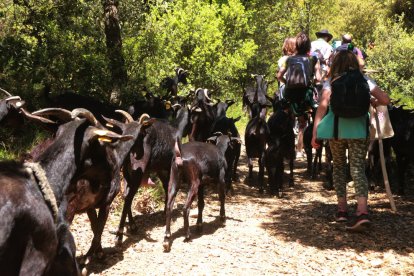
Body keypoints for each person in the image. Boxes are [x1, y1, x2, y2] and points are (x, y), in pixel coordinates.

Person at [311, 49, 390, 231]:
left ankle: (342, 211)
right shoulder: (365, 81)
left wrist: (315, 132)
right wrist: (373, 102)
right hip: (359, 132)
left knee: (338, 167)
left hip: (336, 131)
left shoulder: (331, 82)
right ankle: (362, 212)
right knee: (357, 169)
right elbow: (385, 99)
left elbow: (322, 107)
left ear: (336, 64)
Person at [278, 32, 321, 158]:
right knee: (303, 124)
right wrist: (311, 82)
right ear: (308, 46)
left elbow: (279, 76)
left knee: (286, 121)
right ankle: (300, 149)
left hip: (289, 94)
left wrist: (287, 83)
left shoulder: (289, 59)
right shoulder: (313, 59)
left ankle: (283, 149)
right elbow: (318, 78)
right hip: (305, 95)